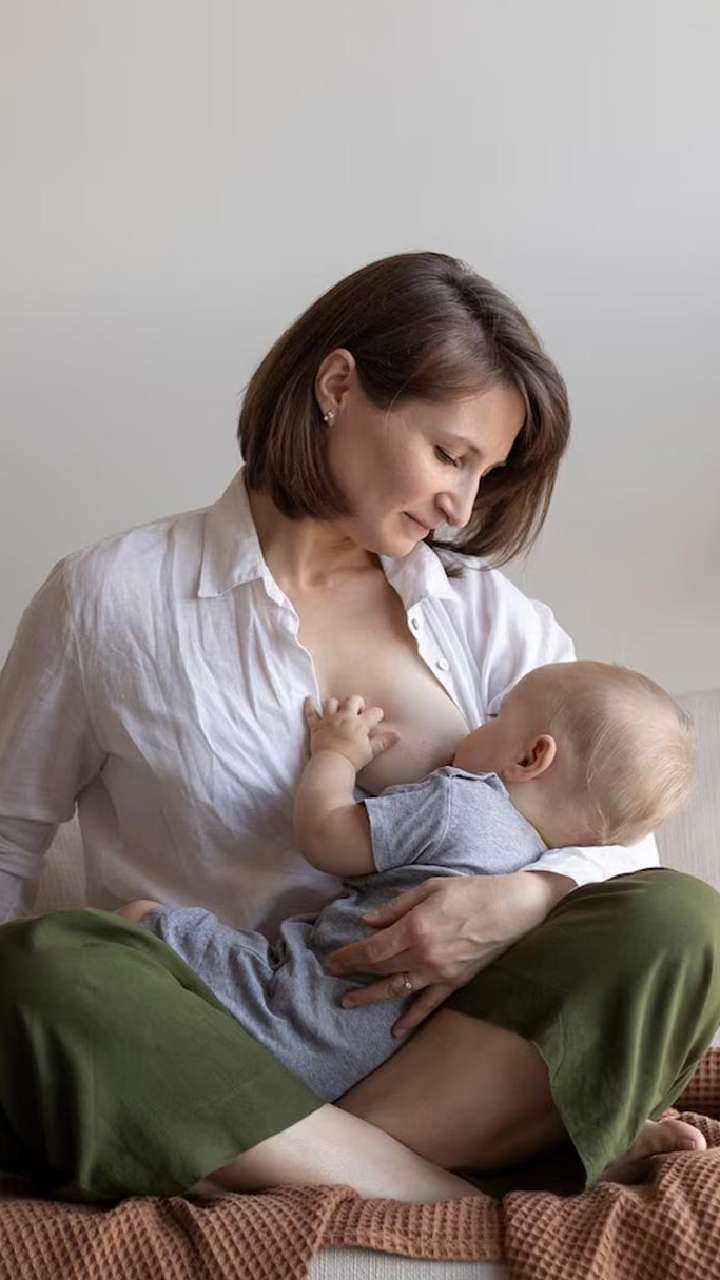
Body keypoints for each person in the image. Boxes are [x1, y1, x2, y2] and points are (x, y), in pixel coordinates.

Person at [0, 251, 718, 1204]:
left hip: (439, 1052)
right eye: (451, 456)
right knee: (39, 970)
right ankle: (437, 1192)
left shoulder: (487, 618)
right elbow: (7, 839)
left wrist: (522, 900)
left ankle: (288, 1160)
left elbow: (623, 843)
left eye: (485, 473)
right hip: (205, 1033)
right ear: (338, 387)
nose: (463, 505)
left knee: (682, 919)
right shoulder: (109, 600)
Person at [115, 660, 708, 1183]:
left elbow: (324, 834)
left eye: (495, 718)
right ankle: (587, 1129)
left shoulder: (461, 803)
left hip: (288, 1013)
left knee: (132, 924)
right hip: (387, 1067)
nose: (473, 728)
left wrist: (336, 754)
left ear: (531, 757)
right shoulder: (551, 887)